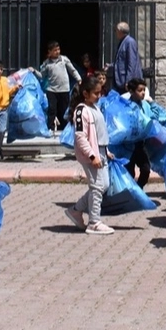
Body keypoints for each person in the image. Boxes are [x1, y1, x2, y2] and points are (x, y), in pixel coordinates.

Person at [63, 75, 115, 235]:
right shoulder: (81, 110)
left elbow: (99, 133)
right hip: (91, 155)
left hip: (101, 152)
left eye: (100, 92)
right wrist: (92, 156)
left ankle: (75, 210)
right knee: (97, 187)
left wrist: (106, 151)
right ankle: (94, 222)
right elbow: (81, 137)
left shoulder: (95, 107)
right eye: (96, 93)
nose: (99, 96)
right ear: (85, 93)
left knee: (102, 186)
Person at [34, 41, 81, 136]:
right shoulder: (47, 63)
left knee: (65, 109)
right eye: (55, 50)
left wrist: (79, 79)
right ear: (50, 52)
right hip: (52, 90)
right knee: (52, 109)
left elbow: (72, 70)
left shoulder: (64, 59)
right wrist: (34, 71)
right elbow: (42, 75)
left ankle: (65, 128)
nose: (57, 52)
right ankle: (50, 128)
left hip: (64, 89)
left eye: (58, 49)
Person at [120, 77, 153, 188]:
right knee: (130, 172)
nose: (143, 93)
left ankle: (138, 189)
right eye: (140, 90)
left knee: (146, 169)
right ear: (131, 91)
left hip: (140, 144)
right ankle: (131, 193)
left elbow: (151, 119)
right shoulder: (125, 106)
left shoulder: (145, 105)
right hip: (127, 145)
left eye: (144, 90)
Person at [111, 22, 142, 94]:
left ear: (120, 31)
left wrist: (128, 81)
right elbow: (121, 61)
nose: (115, 33)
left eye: (116, 31)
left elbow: (132, 63)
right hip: (121, 81)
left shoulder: (130, 42)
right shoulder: (123, 42)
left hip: (126, 81)